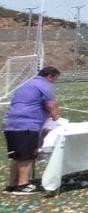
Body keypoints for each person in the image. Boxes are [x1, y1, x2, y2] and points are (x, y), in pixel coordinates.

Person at [3, 66, 60, 195]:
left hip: (11, 124)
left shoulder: (26, 84)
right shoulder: (44, 85)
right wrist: (55, 117)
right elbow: (50, 105)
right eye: (55, 79)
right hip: (27, 124)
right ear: (50, 76)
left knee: (16, 156)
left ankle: (12, 185)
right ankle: (23, 185)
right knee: (27, 156)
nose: (54, 82)